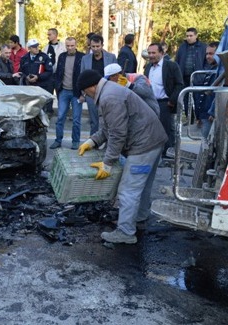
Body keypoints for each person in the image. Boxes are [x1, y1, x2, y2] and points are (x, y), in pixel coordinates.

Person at [77, 69, 167, 244]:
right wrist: (92, 142)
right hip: (153, 140)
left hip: (143, 145)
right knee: (143, 185)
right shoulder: (109, 90)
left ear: (91, 87)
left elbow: (117, 134)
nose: (85, 95)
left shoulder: (109, 97)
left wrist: (107, 163)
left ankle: (126, 232)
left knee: (128, 190)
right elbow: (107, 128)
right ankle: (139, 218)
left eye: (84, 91)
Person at [144, 43, 184, 157]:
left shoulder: (171, 66)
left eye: (153, 53)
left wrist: (171, 101)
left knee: (166, 130)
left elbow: (179, 84)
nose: (151, 55)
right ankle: (155, 153)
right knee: (151, 129)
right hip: (150, 103)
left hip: (164, 103)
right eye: (149, 53)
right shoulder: (148, 67)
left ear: (161, 53)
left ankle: (167, 155)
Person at [50, 37, 85, 150]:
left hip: (77, 92)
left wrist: (83, 94)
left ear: (76, 45)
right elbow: (58, 73)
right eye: (68, 46)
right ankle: (58, 140)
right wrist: (57, 87)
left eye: (72, 45)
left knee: (76, 119)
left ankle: (75, 141)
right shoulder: (62, 56)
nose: (70, 48)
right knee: (60, 118)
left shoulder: (82, 57)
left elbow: (84, 75)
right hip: (63, 91)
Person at [80, 34, 117, 134]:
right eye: (93, 47)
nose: (95, 49)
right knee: (94, 120)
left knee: (108, 119)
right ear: (90, 46)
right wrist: (83, 93)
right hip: (91, 93)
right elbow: (82, 75)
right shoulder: (85, 59)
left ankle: (107, 141)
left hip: (107, 92)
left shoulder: (111, 57)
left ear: (102, 45)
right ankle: (94, 141)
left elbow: (116, 76)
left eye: (98, 46)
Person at [175, 27, 207, 122]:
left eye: (191, 36)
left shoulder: (203, 47)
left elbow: (207, 61)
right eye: (187, 36)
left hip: (198, 77)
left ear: (196, 36)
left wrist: (203, 73)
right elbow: (177, 61)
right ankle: (190, 119)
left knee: (198, 99)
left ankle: (199, 118)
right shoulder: (182, 47)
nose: (189, 38)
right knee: (185, 98)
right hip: (183, 77)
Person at [19, 39, 53, 113]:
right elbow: (21, 71)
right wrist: (26, 77)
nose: (37, 48)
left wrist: (38, 77)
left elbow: (49, 71)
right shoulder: (24, 58)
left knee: (42, 110)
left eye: (37, 46)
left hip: (42, 87)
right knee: (30, 109)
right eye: (34, 47)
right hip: (29, 87)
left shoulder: (44, 57)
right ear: (29, 48)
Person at [194, 41, 219, 138]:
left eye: (211, 54)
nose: (208, 56)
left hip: (210, 114)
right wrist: (199, 115)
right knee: (205, 143)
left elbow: (217, 94)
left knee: (207, 144)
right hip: (205, 113)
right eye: (207, 54)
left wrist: (213, 112)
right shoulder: (212, 70)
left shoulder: (220, 71)